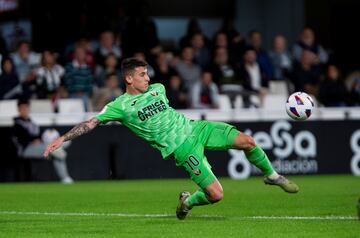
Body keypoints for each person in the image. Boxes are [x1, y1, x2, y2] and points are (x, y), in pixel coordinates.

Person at [44, 58, 299, 220]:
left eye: (148, 73)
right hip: (181, 148)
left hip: (197, 128)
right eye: (142, 74)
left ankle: (272, 175)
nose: (148, 78)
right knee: (216, 195)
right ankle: (187, 201)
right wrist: (62, 138)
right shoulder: (120, 106)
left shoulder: (159, 89)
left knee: (248, 141)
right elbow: (91, 123)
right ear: (129, 78)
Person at [13, 98, 73, 184]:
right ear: (19, 110)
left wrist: (43, 137)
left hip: (39, 147)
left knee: (57, 148)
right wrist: (34, 140)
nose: (25, 110)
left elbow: (39, 136)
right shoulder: (17, 123)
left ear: (29, 109)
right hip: (26, 149)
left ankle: (65, 178)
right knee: (53, 149)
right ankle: (60, 152)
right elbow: (22, 139)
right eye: (22, 108)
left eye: (26, 108)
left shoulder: (32, 123)